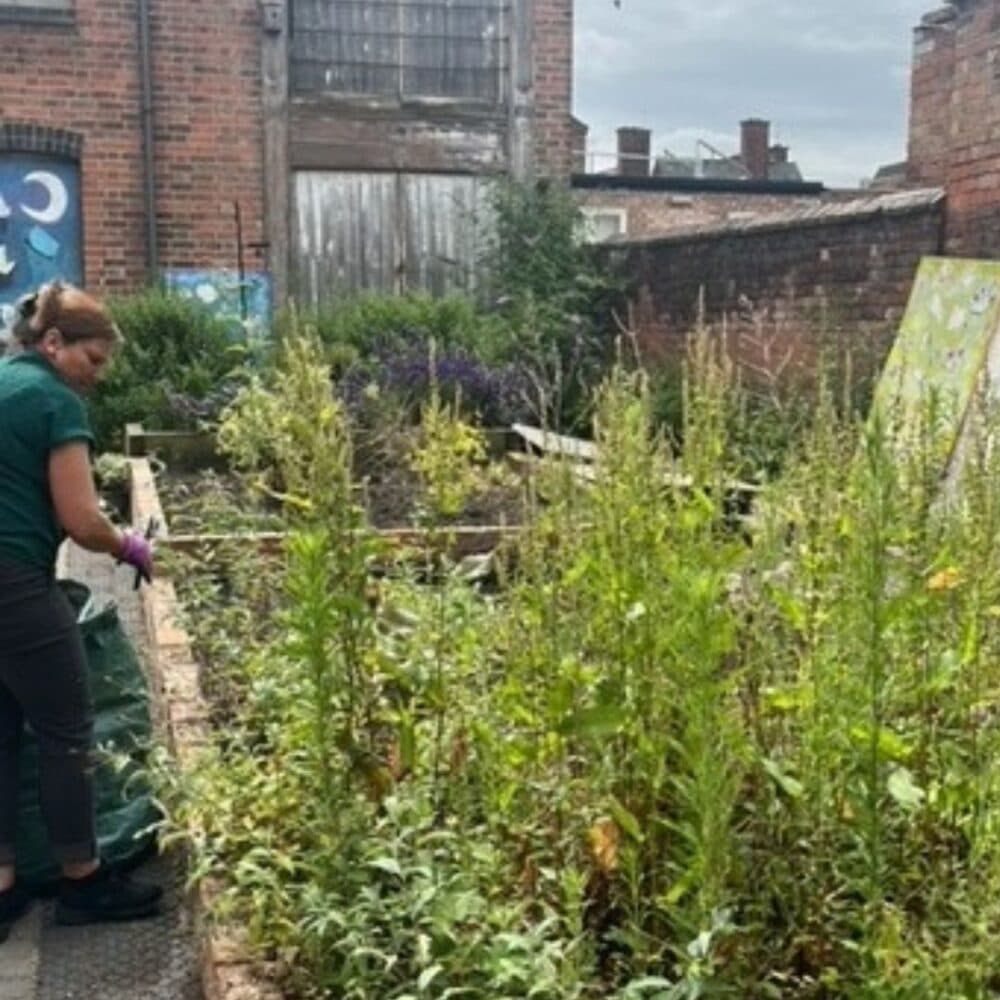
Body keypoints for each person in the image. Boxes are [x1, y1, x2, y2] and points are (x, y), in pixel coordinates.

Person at [0, 282, 161, 936]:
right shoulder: (52, 403)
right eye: (91, 362)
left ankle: (3, 887)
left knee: (2, 733)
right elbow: (80, 519)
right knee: (68, 731)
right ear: (54, 342)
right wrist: (131, 546)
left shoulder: (4, 382)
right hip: (14, 584)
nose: (94, 379)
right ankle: (83, 881)